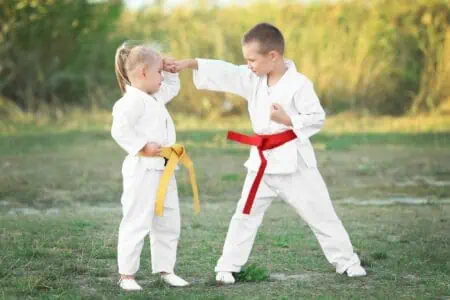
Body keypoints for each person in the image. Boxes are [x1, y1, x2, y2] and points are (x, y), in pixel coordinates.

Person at [174, 23, 367, 284]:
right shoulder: (253, 78)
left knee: (320, 212)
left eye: (252, 59)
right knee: (244, 214)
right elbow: (227, 72)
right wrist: (190, 63)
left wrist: (288, 118)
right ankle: (227, 266)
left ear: (273, 56)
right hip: (261, 163)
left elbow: (316, 117)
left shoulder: (299, 84)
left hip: (294, 163)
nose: (248, 65)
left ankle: (347, 262)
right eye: (247, 60)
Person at [111, 41, 190, 291]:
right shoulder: (131, 101)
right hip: (143, 169)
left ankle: (166, 269)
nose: (161, 78)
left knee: (168, 220)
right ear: (143, 72)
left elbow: (172, 88)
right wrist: (142, 145)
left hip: (165, 168)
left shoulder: (154, 96)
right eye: (158, 72)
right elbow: (119, 130)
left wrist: (169, 68)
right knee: (137, 220)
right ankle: (127, 275)